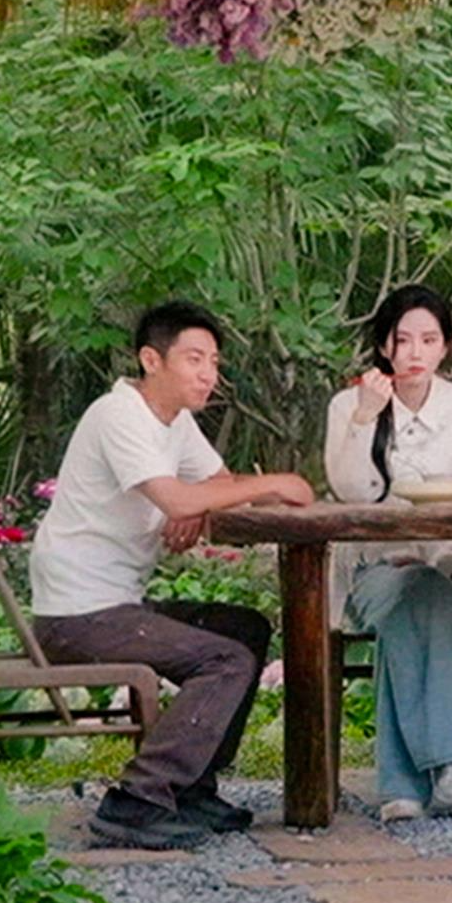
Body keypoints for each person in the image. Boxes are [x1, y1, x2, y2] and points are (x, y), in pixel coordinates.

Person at [30, 301, 316, 849]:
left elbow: (216, 482)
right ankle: (137, 799)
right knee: (224, 659)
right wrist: (273, 482)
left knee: (245, 630)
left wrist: (199, 507)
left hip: (117, 607)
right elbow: (180, 493)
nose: (209, 373)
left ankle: (191, 787)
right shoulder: (119, 415)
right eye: (194, 359)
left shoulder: (175, 423)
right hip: (78, 616)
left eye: (214, 361)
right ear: (150, 360)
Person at [322, 285, 452, 822]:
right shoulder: (350, 405)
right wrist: (364, 416)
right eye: (403, 340)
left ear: (446, 346)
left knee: (422, 594)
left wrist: (446, 562)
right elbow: (349, 494)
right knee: (407, 596)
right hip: (373, 574)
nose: (415, 352)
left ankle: (402, 785)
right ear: (384, 347)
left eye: (428, 339)